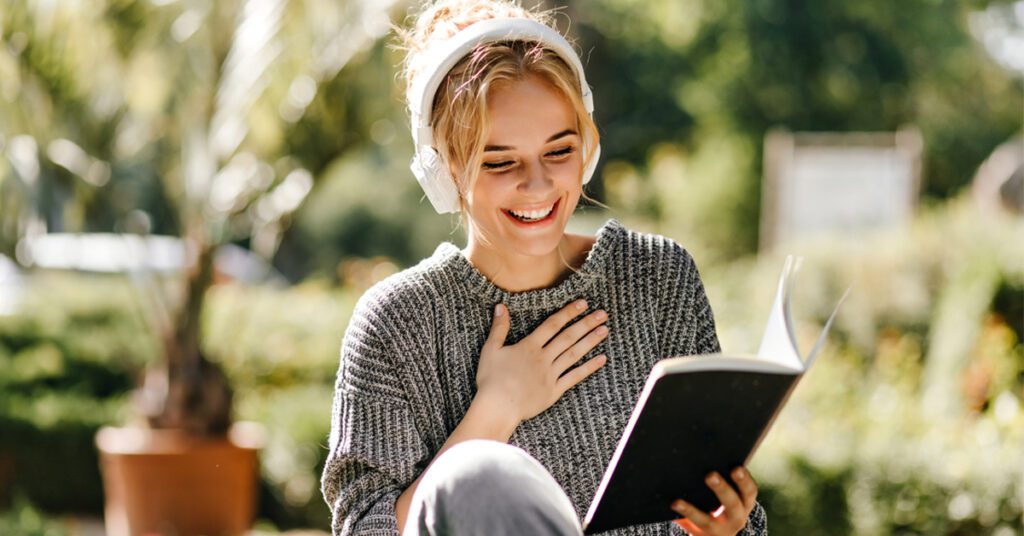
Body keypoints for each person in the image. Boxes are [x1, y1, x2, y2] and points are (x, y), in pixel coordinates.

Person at [320, 1, 768, 535]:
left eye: (559, 151)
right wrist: (498, 407)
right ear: (446, 170)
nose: (537, 186)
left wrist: (729, 526)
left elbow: (733, 511)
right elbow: (364, 530)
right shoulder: (396, 324)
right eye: (500, 161)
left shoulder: (659, 279)